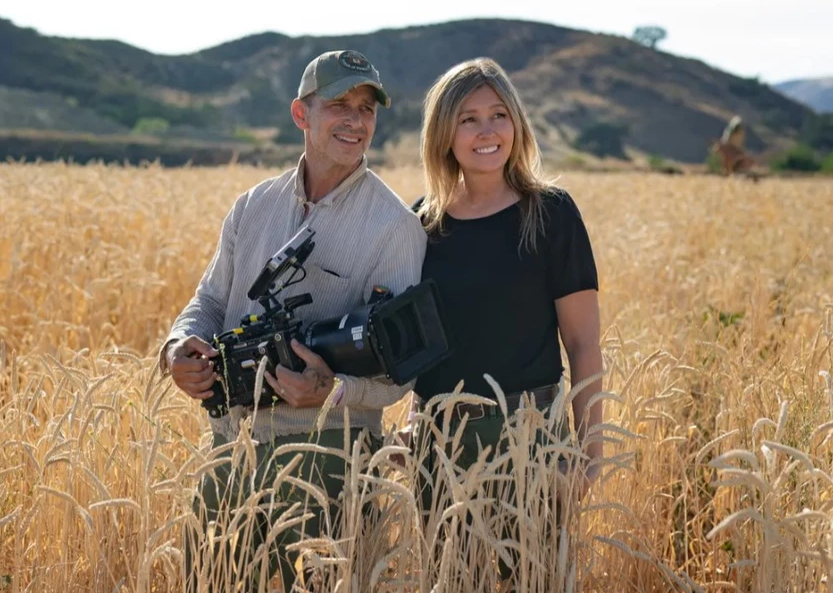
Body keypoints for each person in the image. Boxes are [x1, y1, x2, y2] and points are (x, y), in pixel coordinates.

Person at [159, 49, 427, 591]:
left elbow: (402, 375)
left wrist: (331, 389)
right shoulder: (251, 206)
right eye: (339, 105)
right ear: (301, 115)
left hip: (331, 464)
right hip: (230, 452)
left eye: (367, 108)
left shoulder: (396, 227)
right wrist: (178, 349)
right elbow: (208, 301)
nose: (356, 120)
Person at [409, 57, 605, 582]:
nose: (487, 131)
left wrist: (588, 455)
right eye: (468, 118)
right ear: (443, 133)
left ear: (517, 123)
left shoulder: (550, 213)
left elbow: (583, 342)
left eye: (499, 114)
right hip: (440, 446)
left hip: (533, 439)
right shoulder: (419, 226)